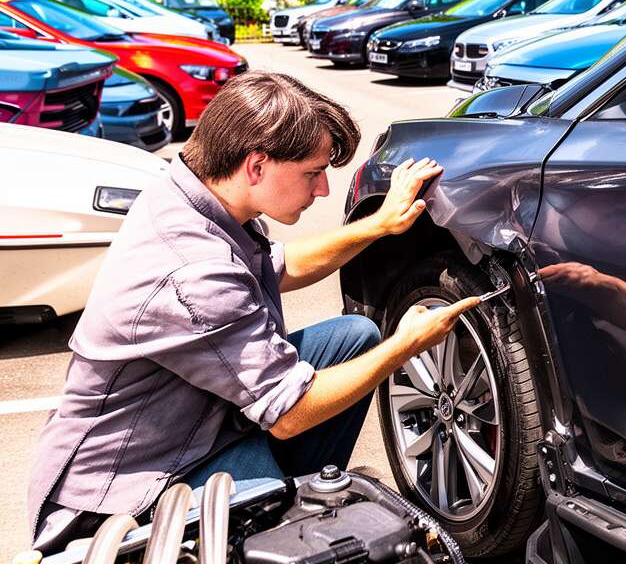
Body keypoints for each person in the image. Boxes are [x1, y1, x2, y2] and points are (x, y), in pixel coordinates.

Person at [26, 71, 479, 550]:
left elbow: (279, 266)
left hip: (195, 424)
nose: (323, 190)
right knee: (278, 518)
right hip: (129, 491)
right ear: (257, 166)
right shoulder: (192, 273)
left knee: (354, 338)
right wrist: (404, 346)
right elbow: (289, 413)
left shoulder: (196, 196)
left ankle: (297, 493)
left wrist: (379, 225)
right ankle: (282, 524)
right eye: (312, 173)